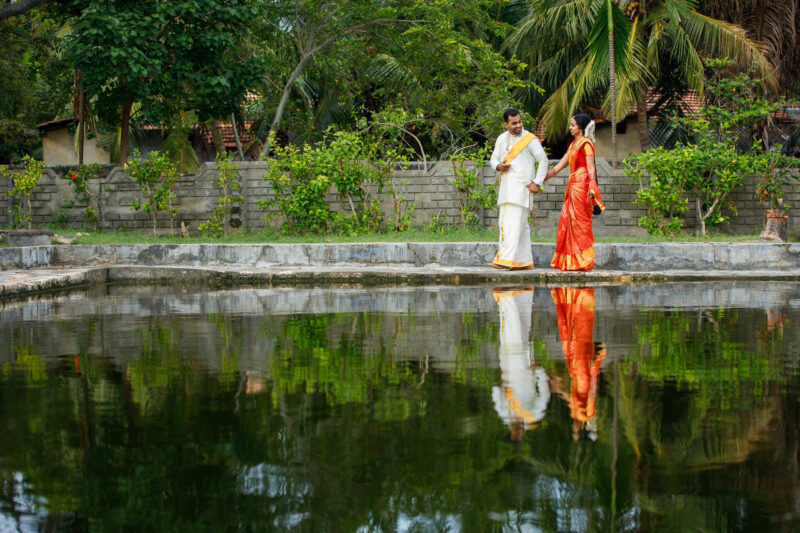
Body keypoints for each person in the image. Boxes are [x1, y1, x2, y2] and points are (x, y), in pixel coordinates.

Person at [543, 113, 606, 271]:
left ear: (581, 128)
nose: (570, 128)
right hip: (572, 186)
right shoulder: (572, 145)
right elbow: (557, 168)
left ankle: (583, 260)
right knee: (569, 222)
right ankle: (571, 261)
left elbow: (591, 169)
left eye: (573, 125)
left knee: (580, 223)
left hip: (582, 186)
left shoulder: (586, 144)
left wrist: (592, 187)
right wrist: (540, 179)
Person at [488, 108, 549, 270]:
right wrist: (498, 166)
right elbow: (493, 159)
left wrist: (537, 182)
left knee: (514, 225)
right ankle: (522, 262)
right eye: (514, 123)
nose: (518, 125)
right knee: (512, 225)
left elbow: (543, 160)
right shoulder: (502, 139)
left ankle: (506, 261)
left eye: (520, 122)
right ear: (506, 124)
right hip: (506, 189)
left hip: (522, 189)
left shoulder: (530, 139)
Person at [491, 287, 551, 442]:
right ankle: (516, 294)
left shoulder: (505, 414)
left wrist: (503, 391)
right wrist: (538, 372)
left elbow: (495, 391)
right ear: (522, 434)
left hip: (508, 365)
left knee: (513, 329)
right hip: (526, 367)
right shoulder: (533, 416)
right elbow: (544, 394)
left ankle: (509, 296)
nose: (516, 430)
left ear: (509, 431)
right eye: (518, 434)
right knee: (521, 326)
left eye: (513, 433)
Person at [550, 286, 605, 441]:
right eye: (575, 432)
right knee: (578, 336)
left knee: (570, 338)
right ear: (581, 430)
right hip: (584, 374)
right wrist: (594, 369)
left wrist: (559, 391)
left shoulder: (576, 414)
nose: (572, 428)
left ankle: (573, 300)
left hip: (576, 373)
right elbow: (593, 391)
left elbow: (571, 399)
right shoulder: (588, 413)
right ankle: (580, 301)